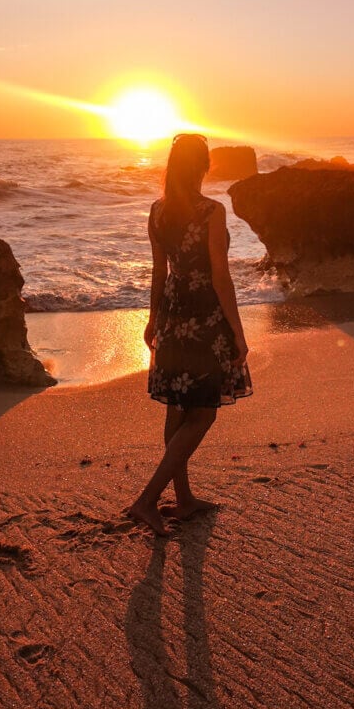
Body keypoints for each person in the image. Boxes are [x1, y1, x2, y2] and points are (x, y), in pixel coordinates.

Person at [128, 133, 252, 535]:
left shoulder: (157, 211)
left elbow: (158, 272)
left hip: (171, 313)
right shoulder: (211, 211)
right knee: (203, 411)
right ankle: (147, 501)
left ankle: (182, 500)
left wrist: (152, 319)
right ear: (203, 166)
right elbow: (220, 274)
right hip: (203, 316)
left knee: (177, 408)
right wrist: (237, 329)